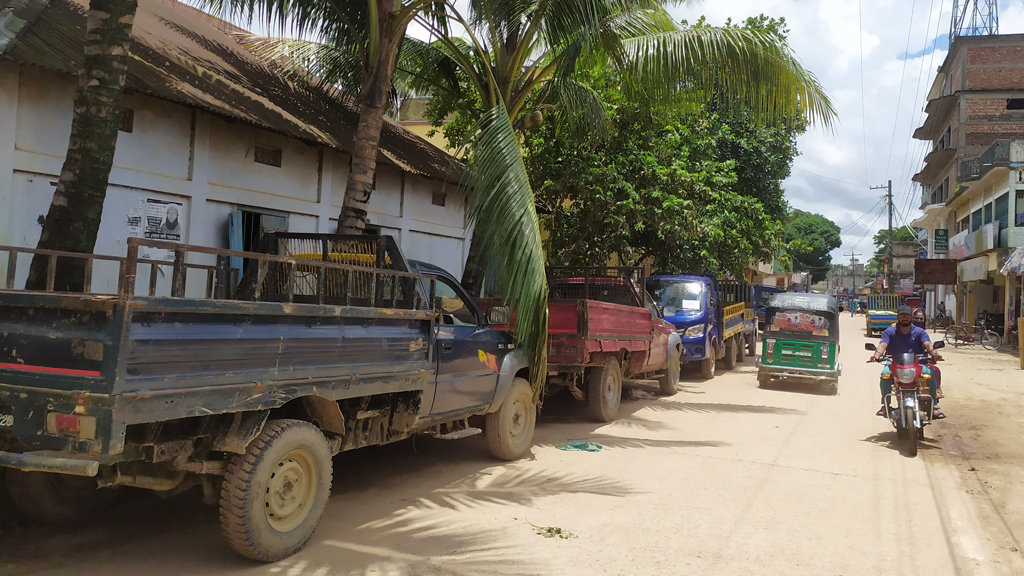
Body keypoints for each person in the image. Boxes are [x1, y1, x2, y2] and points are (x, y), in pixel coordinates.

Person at [870, 305, 944, 419]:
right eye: (902, 315)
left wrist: (934, 354)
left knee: (930, 374)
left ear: (911, 317)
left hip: (916, 363)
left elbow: (928, 344)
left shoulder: (920, 332)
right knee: (884, 375)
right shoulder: (889, 332)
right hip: (893, 363)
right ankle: (885, 405)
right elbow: (882, 345)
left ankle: (933, 406)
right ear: (897, 317)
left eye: (907, 315)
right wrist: (876, 355)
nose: (904, 318)